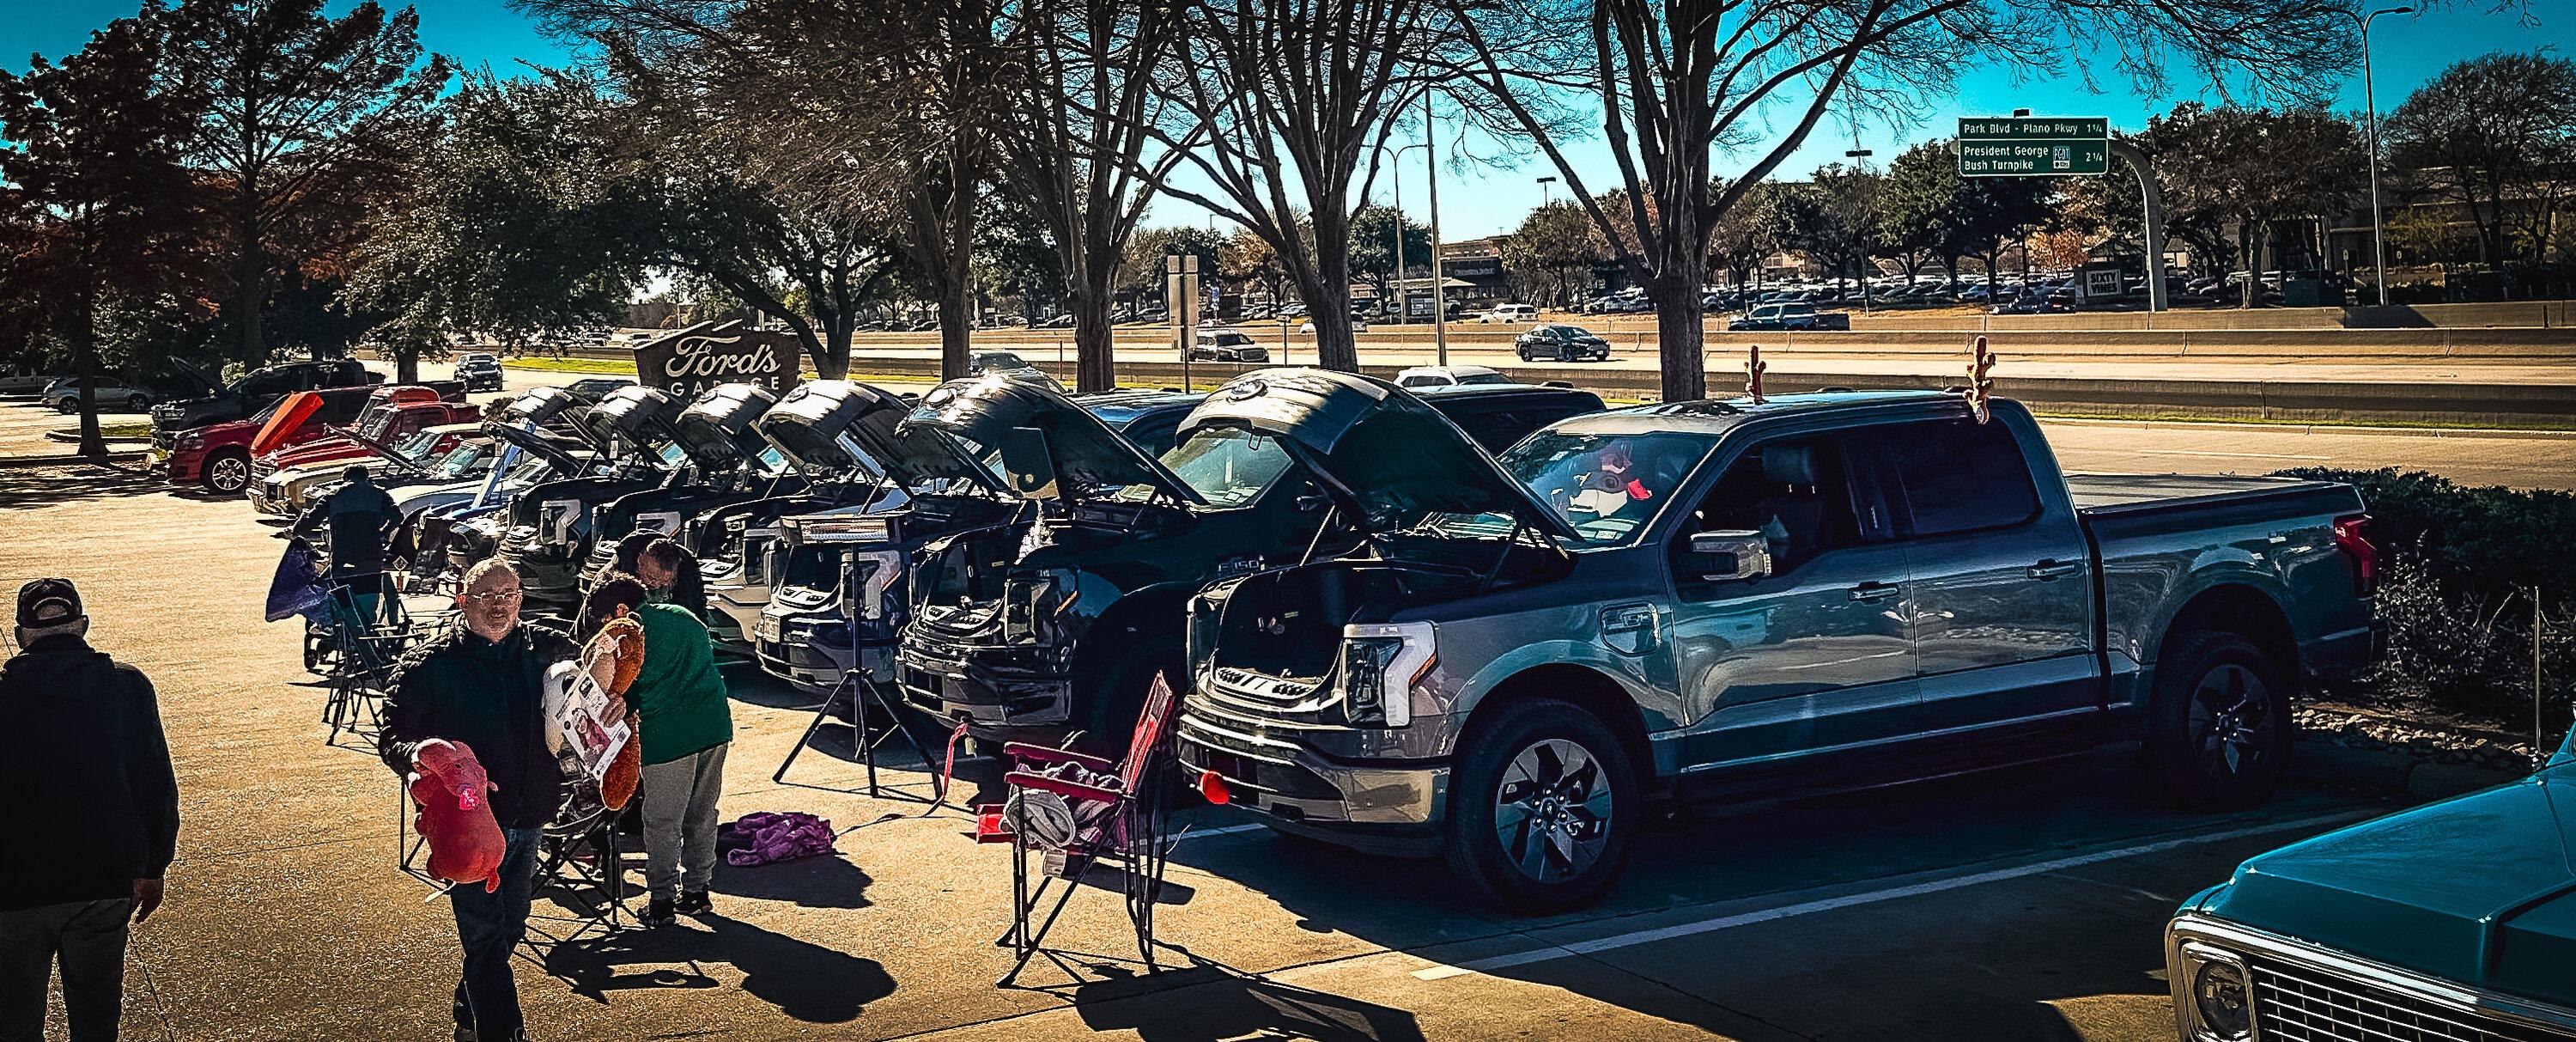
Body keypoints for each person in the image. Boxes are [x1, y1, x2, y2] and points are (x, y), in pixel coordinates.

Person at [380, 559, 575, 1042]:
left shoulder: (544, 652)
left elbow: (598, 683)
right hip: (467, 821)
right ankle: (502, 1029)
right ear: (462, 599)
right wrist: (418, 756)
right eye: (486, 594)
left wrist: (616, 701)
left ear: (521, 599)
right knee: (484, 931)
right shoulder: (432, 663)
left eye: (508, 593)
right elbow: (393, 735)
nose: (499, 604)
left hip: (529, 809)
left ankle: (469, 1006)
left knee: (512, 925)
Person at [0, 579, 177, 1042]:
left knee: (14, 1020)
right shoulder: (128, 686)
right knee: (96, 1016)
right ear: (83, 626)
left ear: (21, 635)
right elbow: (157, 782)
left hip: (13, 889)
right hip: (104, 879)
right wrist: (154, 865)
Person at [581, 575, 732, 928]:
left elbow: (628, 689)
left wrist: (623, 701)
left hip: (668, 736)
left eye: (605, 619)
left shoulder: (627, 636)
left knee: (663, 820)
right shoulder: (684, 616)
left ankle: (662, 900)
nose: (605, 628)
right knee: (702, 812)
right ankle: (698, 891)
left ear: (620, 610)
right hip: (714, 725)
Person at [321, 466, 401, 625]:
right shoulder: (379, 494)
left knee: (328, 587)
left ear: (345, 479)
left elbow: (309, 521)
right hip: (371, 557)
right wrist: (382, 534)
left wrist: (295, 532)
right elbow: (397, 517)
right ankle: (369, 626)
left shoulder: (333, 495)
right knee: (370, 590)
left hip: (342, 559)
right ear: (367, 478)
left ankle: (333, 627)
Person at [634, 539, 708, 624]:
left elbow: (697, 606)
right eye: (652, 578)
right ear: (640, 561)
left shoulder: (687, 567)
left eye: (667, 580)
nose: (657, 585)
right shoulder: (624, 563)